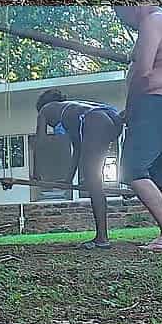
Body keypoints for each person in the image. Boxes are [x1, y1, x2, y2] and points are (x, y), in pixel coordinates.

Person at [114, 6, 162, 251]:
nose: (123, 21)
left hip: (154, 104)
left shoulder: (151, 21)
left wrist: (130, 107)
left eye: (120, 14)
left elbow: (143, 72)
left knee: (132, 170)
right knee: (160, 173)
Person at [35, 89, 124, 250]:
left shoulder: (45, 109)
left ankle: (102, 238)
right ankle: (102, 235)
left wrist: (36, 172)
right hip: (112, 119)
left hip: (96, 121)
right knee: (93, 176)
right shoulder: (72, 111)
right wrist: (68, 179)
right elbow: (78, 148)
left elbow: (40, 141)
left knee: (93, 180)